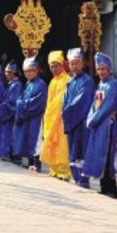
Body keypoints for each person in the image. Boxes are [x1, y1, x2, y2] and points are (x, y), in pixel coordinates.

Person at [82, 52, 117, 198]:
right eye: (98, 69)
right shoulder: (100, 85)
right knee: (98, 155)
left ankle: (112, 189)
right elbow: (94, 105)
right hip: (98, 125)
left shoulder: (114, 85)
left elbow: (107, 107)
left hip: (107, 125)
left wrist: (93, 120)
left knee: (107, 156)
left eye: (103, 69)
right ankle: (104, 187)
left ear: (109, 69)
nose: (100, 72)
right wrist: (90, 117)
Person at [62, 48, 95, 187]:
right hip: (71, 121)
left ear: (82, 63)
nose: (74, 66)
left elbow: (81, 103)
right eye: (71, 63)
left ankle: (83, 180)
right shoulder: (71, 81)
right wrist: (65, 111)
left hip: (81, 122)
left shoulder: (87, 81)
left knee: (81, 150)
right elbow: (65, 100)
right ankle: (76, 179)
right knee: (73, 152)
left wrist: (67, 112)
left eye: (76, 63)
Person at [40, 51, 71, 180]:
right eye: (51, 66)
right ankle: (54, 169)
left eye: (56, 65)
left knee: (61, 144)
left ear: (62, 65)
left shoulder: (67, 80)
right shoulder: (53, 81)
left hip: (61, 118)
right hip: (50, 117)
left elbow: (63, 101)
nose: (54, 69)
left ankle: (64, 171)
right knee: (51, 142)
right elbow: (49, 101)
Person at [15, 57, 47, 171]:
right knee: (27, 139)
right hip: (27, 117)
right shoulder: (28, 84)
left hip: (36, 118)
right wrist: (21, 103)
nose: (28, 73)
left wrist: (21, 105)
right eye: (26, 71)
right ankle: (29, 163)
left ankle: (36, 165)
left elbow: (38, 102)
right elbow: (21, 99)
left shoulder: (41, 84)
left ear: (36, 70)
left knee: (36, 139)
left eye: (31, 70)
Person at [0, 61, 21, 161]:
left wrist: (3, 105)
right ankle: (4, 153)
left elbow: (13, 101)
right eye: (5, 72)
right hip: (6, 112)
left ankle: (8, 154)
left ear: (13, 73)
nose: (6, 74)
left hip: (10, 114)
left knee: (9, 135)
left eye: (8, 72)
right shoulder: (11, 84)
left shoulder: (16, 85)